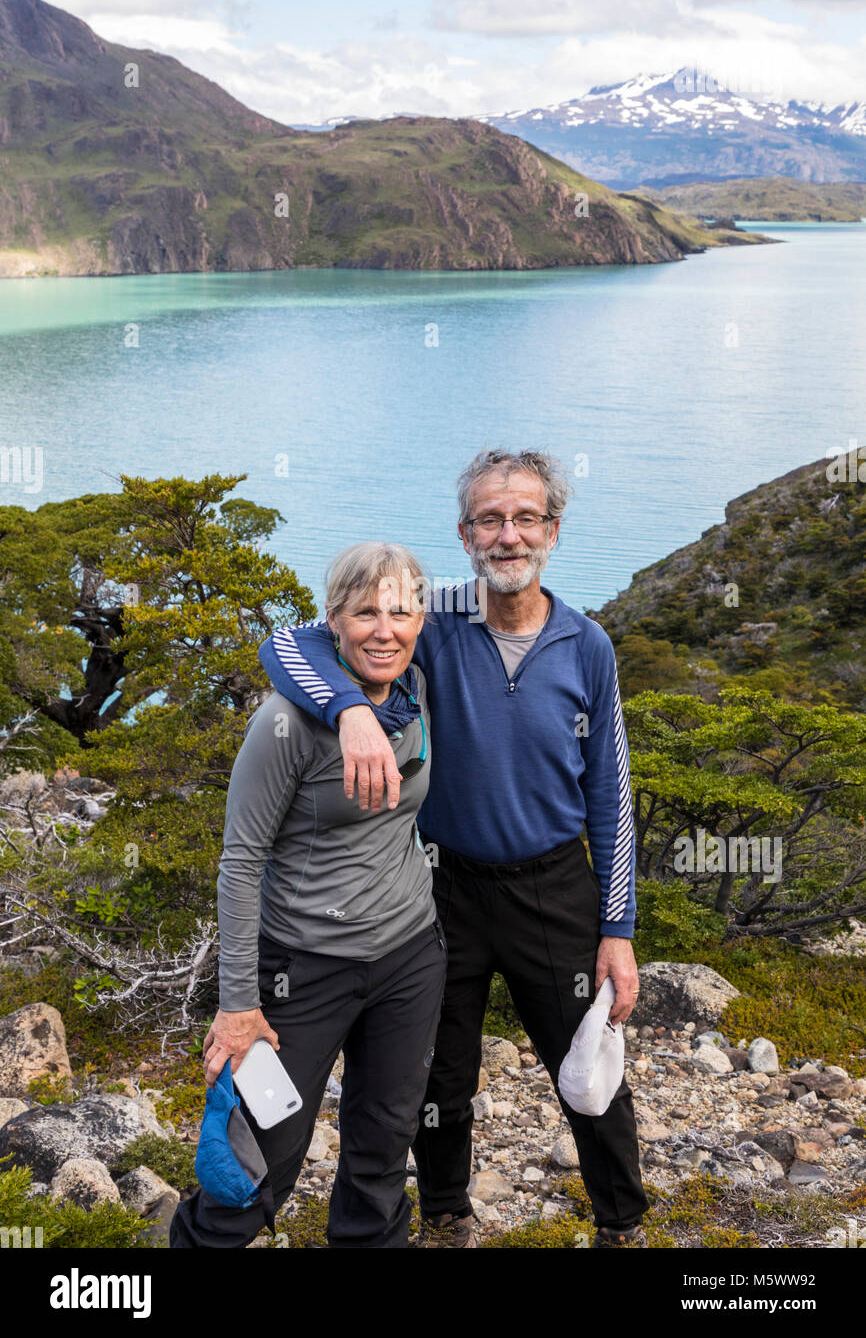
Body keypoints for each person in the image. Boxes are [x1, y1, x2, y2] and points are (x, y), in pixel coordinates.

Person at [258, 449, 649, 1249]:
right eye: (490, 521)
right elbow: (289, 643)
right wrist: (349, 710)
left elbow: (610, 794)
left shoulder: (587, 645)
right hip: (439, 886)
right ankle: (443, 1215)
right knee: (439, 1072)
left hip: (553, 885)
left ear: (553, 530)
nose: (509, 536)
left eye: (525, 518)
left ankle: (622, 1222)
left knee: (590, 1063)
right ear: (465, 534)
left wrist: (619, 930)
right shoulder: (430, 613)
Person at [170, 542, 446, 1249]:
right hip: (302, 967)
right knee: (255, 1160)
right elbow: (240, 864)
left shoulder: (418, 690)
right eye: (364, 612)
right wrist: (237, 1006)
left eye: (400, 611)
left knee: (383, 1147)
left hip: (410, 957)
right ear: (333, 620)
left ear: (421, 620)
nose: (383, 629)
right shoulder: (283, 725)